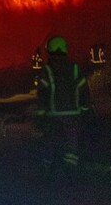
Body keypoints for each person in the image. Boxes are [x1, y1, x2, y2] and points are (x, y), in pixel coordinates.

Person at [34, 35, 91, 174]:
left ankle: (46, 174)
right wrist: (86, 109)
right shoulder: (75, 69)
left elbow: (42, 96)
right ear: (65, 50)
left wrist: (40, 117)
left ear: (50, 51)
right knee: (71, 147)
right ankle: (71, 176)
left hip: (53, 117)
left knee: (49, 144)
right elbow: (84, 91)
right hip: (73, 117)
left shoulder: (46, 71)